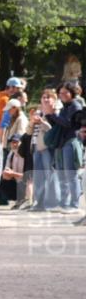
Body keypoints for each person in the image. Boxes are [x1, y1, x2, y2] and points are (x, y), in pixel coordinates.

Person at [45, 81, 84, 214]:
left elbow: (69, 124)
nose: (62, 95)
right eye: (60, 93)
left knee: (71, 175)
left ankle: (74, 205)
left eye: (65, 92)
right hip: (62, 143)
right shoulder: (64, 107)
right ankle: (63, 203)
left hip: (71, 142)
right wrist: (49, 114)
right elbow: (58, 125)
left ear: (72, 93)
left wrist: (54, 115)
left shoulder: (75, 106)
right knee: (62, 175)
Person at [29, 90, 61, 212]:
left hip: (48, 148)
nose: (45, 99)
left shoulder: (55, 112)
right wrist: (32, 122)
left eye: (48, 97)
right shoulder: (38, 112)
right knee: (38, 176)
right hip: (36, 147)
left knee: (50, 175)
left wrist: (42, 122)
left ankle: (53, 203)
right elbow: (28, 132)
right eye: (43, 97)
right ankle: (39, 203)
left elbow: (52, 130)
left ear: (54, 99)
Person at [0, 135, 25, 207]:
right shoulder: (11, 154)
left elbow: (29, 177)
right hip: (16, 181)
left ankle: (24, 200)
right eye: (12, 142)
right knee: (0, 180)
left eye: (16, 142)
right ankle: (2, 200)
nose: (14, 144)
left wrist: (13, 174)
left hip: (25, 184)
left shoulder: (25, 155)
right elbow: (7, 170)